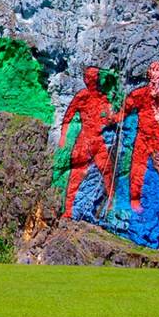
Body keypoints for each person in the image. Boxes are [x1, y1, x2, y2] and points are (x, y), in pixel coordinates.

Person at [115, 61, 159, 227]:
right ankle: (133, 205)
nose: (156, 73)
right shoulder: (139, 94)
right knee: (136, 172)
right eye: (153, 70)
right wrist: (111, 119)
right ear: (148, 73)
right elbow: (123, 112)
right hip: (142, 137)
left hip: (157, 140)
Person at [58, 67, 115, 218]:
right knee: (77, 174)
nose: (93, 79)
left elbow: (109, 119)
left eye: (95, 76)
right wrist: (63, 137)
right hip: (84, 139)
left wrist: (113, 117)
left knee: (107, 170)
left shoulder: (103, 98)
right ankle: (69, 209)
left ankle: (110, 204)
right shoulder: (82, 96)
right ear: (86, 79)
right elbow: (68, 116)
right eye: (90, 77)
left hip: (98, 140)